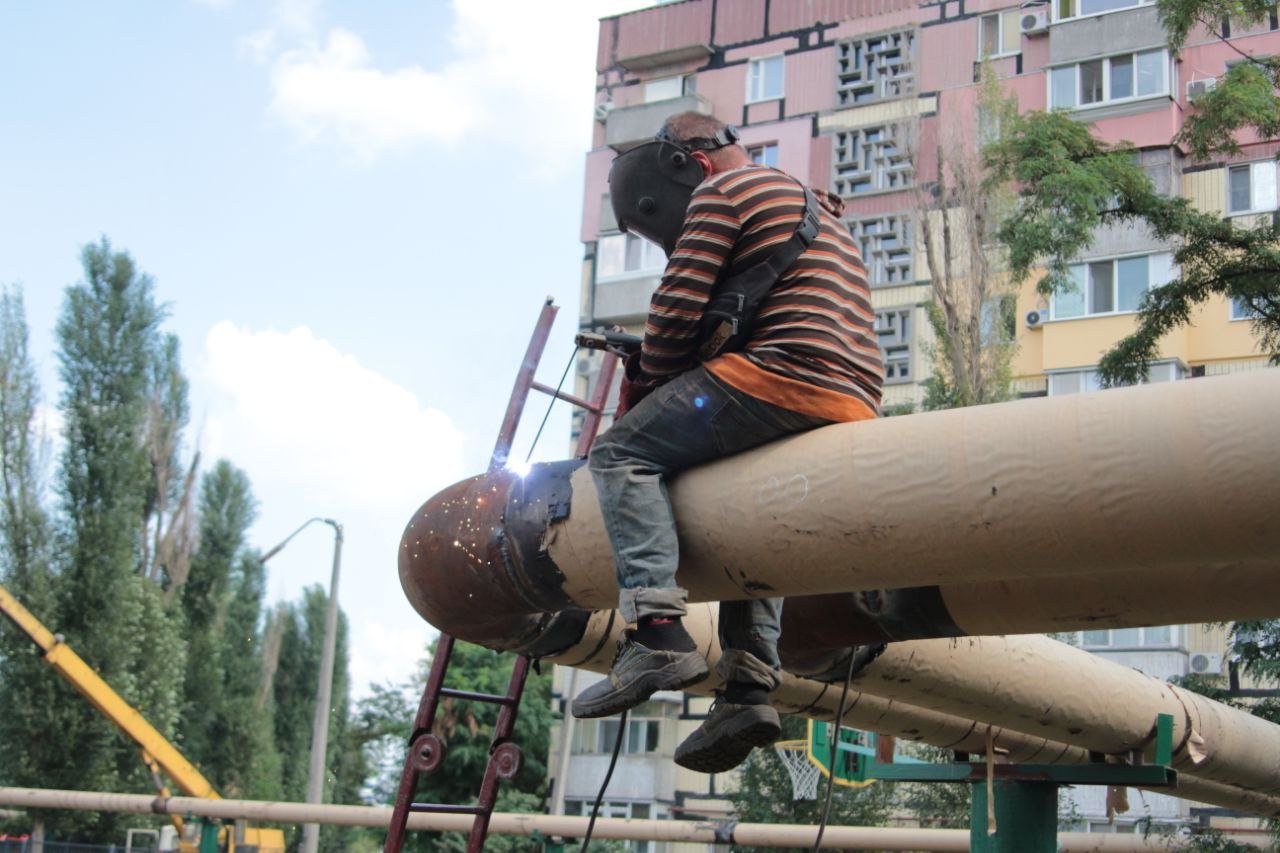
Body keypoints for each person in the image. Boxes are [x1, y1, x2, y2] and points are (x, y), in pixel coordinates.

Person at [571, 111, 884, 773]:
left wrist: (652, 368)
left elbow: (674, 317)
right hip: (853, 396)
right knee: (751, 519)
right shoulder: (813, 207)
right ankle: (747, 689)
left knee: (620, 453)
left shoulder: (722, 190)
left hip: (784, 376)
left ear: (688, 165)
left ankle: (656, 631)